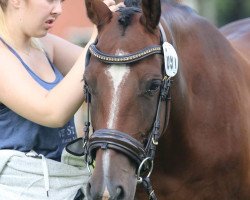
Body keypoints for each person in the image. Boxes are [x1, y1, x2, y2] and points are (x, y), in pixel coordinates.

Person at [0, 0, 123, 199]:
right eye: (50, 0)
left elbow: (108, 75)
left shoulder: (44, 45)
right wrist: (96, 37)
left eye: (61, 1)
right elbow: (52, 111)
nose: (58, 10)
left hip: (63, 180)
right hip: (20, 188)